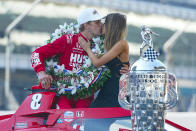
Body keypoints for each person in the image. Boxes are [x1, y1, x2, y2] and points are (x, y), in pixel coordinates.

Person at [31, 8, 129, 109]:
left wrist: (127, 69)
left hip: (86, 97)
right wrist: (41, 73)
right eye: (97, 22)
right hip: (64, 95)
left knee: (85, 123)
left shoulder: (102, 45)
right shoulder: (67, 40)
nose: (101, 24)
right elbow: (36, 53)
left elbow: (111, 67)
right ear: (86, 25)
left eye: (101, 21)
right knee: (66, 120)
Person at [79, 13, 129, 108]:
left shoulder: (121, 44)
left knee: (94, 116)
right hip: (107, 87)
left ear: (111, 26)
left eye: (104, 23)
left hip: (114, 90)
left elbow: (97, 63)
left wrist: (87, 49)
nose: (101, 25)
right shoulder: (107, 43)